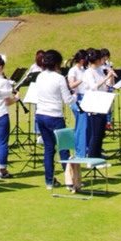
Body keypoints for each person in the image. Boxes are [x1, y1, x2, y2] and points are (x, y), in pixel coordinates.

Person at [35, 50, 78, 189]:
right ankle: (69, 181)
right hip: (54, 116)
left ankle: (49, 181)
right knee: (63, 148)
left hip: (41, 115)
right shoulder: (59, 78)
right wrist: (75, 97)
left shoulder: (40, 76)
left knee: (49, 149)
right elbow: (68, 100)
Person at [82, 48, 116, 159]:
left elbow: (109, 84)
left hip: (102, 103)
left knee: (101, 133)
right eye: (101, 59)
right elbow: (94, 87)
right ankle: (92, 158)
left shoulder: (100, 70)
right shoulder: (88, 72)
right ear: (96, 60)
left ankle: (98, 155)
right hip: (93, 105)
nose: (103, 61)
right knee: (95, 134)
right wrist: (106, 77)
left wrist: (110, 76)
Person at [67, 50, 91, 158]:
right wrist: (82, 79)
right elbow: (71, 85)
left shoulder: (84, 70)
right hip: (78, 99)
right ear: (82, 60)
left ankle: (87, 149)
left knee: (87, 126)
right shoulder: (74, 70)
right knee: (81, 126)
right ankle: (79, 153)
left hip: (86, 97)